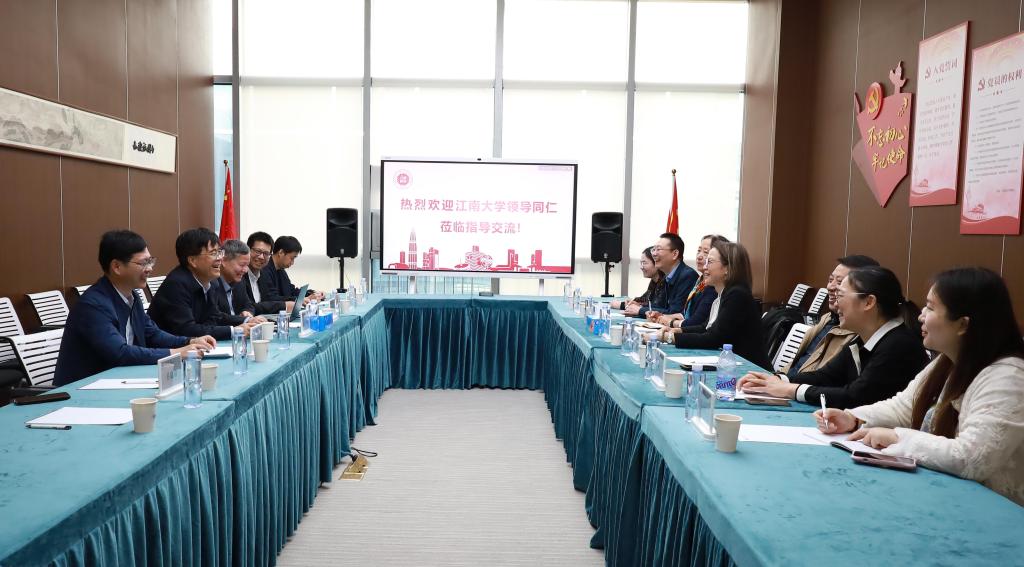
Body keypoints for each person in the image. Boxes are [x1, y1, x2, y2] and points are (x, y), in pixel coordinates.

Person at [815, 268, 1024, 505]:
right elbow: (904, 407)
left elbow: (971, 458)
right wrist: (853, 418)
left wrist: (898, 438)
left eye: (931, 308)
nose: (921, 316)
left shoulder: (1008, 377)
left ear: (962, 324)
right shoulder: (947, 362)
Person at [738, 266, 928, 409]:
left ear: (868, 302)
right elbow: (825, 376)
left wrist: (790, 390)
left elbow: (855, 397)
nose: (836, 304)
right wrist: (777, 379)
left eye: (841, 295)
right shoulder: (863, 339)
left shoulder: (899, 346)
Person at [53, 230, 215, 387]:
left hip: (119, 380)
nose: (150, 268)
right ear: (117, 266)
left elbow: (152, 334)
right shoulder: (93, 305)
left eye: (150, 261)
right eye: (143, 263)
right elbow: (119, 353)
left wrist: (190, 341)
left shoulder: (132, 297)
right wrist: (176, 353)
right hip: (82, 389)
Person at [661, 241, 769, 368]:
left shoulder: (737, 295)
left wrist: (668, 337)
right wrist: (678, 330)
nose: (705, 267)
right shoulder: (724, 293)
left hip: (751, 370)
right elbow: (705, 328)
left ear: (727, 268)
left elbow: (714, 338)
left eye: (710, 262)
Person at [149, 228, 260, 340]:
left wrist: (247, 321)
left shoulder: (211, 282)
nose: (220, 258)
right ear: (192, 260)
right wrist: (233, 331)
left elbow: (215, 316)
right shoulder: (176, 285)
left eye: (219, 252)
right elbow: (186, 329)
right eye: (213, 253)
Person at [783, 254, 879, 373]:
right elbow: (796, 364)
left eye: (840, 282)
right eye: (830, 280)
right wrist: (778, 376)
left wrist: (784, 381)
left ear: (867, 300)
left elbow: (823, 379)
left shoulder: (862, 337)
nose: (830, 287)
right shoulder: (828, 318)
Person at [658, 234, 728, 329]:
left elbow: (698, 321)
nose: (699, 256)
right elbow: (688, 313)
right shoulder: (700, 281)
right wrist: (662, 317)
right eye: (699, 251)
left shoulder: (713, 286)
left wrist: (672, 322)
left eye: (706, 252)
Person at [639, 233, 698, 319]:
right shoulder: (667, 276)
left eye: (658, 249)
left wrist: (640, 310)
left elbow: (675, 312)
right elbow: (660, 306)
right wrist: (640, 307)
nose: (654, 254)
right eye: (653, 249)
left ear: (675, 254)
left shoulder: (687, 276)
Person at [213, 239, 267, 326]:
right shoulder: (211, 283)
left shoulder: (239, 281)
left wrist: (247, 312)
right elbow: (217, 316)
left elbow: (248, 304)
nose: (245, 270)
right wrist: (245, 320)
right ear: (223, 261)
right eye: (242, 265)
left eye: (247, 265)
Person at [243, 231, 294, 315]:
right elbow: (248, 306)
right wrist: (283, 305)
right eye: (258, 251)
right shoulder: (240, 275)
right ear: (247, 250)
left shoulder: (263, 275)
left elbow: (269, 300)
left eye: (266, 253)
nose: (261, 257)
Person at [262, 235, 323, 302]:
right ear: (281, 253)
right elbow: (272, 298)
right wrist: (298, 300)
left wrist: (312, 293)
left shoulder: (281, 270)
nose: (292, 262)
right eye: (292, 258)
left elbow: (291, 291)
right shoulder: (264, 269)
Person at [611, 247, 664, 315]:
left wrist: (622, 305)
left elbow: (660, 308)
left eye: (644, 263)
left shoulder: (665, 283)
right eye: (641, 263)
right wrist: (634, 303)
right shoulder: (654, 282)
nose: (641, 267)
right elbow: (644, 299)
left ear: (656, 263)